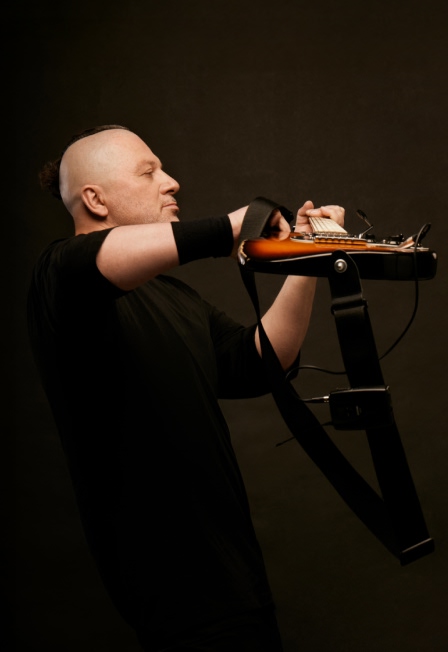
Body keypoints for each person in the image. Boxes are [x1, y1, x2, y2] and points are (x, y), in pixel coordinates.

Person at [27, 124, 345, 651]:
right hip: (177, 599)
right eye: (148, 172)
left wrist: (307, 257)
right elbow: (94, 260)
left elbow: (259, 361)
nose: (171, 182)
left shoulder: (173, 297)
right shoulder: (58, 276)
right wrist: (235, 226)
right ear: (95, 200)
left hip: (237, 582)